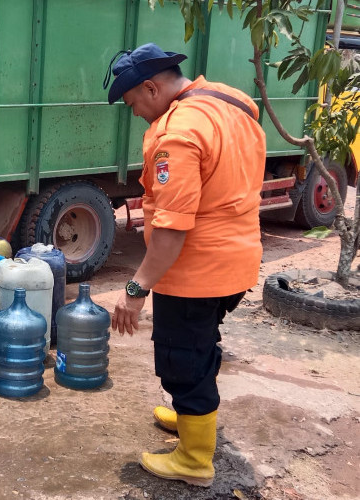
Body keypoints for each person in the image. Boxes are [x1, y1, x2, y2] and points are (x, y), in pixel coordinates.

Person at [105, 43, 266, 487]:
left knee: (182, 357)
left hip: (196, 271)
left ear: (152, 87)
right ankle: (191, 417)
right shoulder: (229, 103)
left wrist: (135, 291)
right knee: (202, 342)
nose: (136, 113)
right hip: (237, 260)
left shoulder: (178, 132)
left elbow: (174, 230)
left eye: (133, 102)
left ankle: (195, 460)